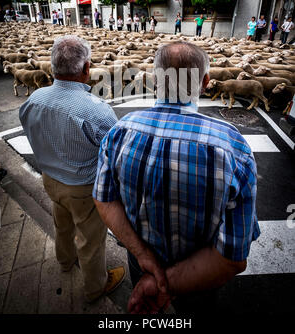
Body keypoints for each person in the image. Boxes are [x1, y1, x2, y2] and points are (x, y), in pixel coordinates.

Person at [93, 41, 260, 315]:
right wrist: (166, 283)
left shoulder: (119, 132)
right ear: (205, 82)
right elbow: (232, 257)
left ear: (156, 80)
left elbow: (104, 200)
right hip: (201, 276)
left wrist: (147, 262)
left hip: (141, 264)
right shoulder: (233, 147)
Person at [19, 35, 125, 303]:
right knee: (90, 239)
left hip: (50, 178)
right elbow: (115, 155)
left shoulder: (34, 100)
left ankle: (65, 261)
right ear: (87, 68)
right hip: (82, 187)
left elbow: (30, 131)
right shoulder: (98, 111)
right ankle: (95, 287)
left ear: (53, 66)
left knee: (62, 223)